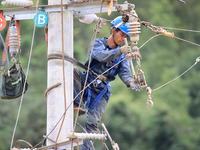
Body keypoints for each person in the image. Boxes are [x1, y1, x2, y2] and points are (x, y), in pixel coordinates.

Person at [74, 16, 141, 150]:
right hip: (88, 79)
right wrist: (119, 51)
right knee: (73, 73)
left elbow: (124, 72)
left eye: (125, 36)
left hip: (101, 90)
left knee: (92, 123)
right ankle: (77, 104)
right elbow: (101, 56)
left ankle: (86, 149)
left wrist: (130, 82)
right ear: (113, 31)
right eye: (121, 34)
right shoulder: (97, 43)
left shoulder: (123, 56)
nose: (123, 39)